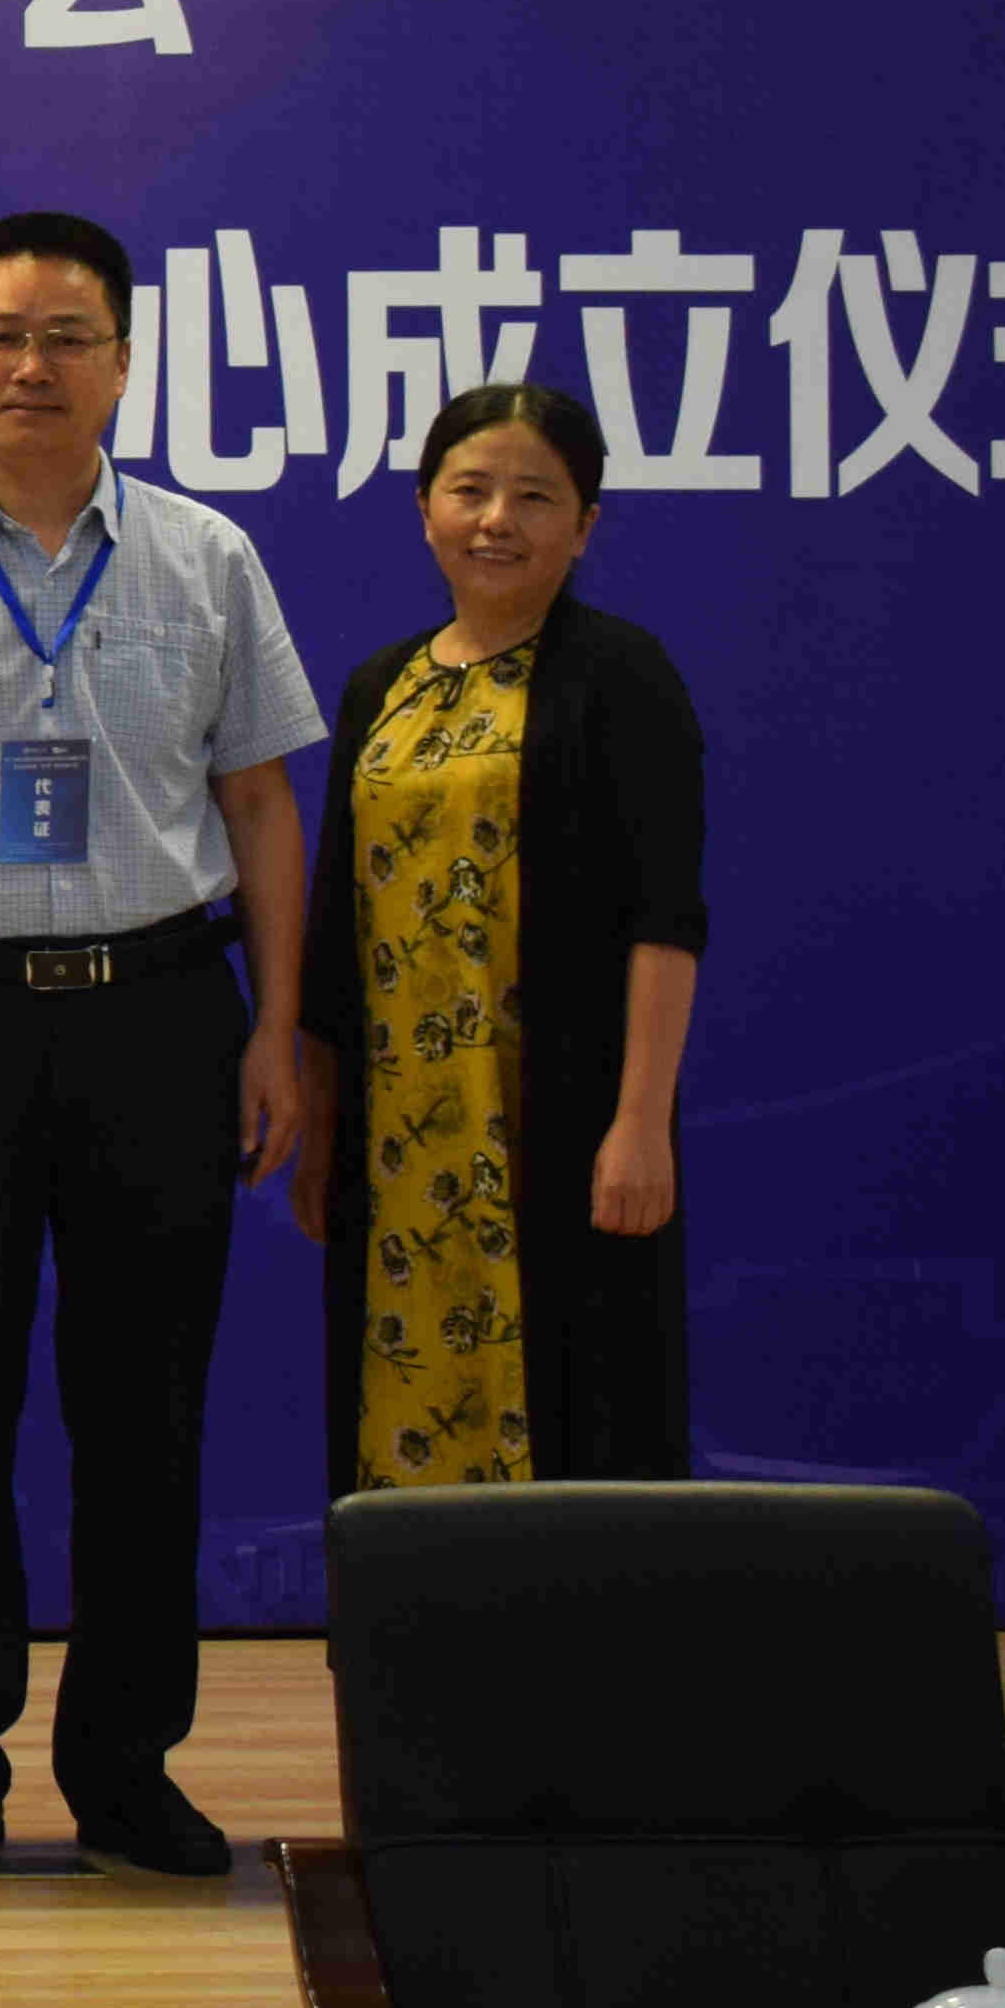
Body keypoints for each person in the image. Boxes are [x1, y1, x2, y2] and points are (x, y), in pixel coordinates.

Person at [0, 212, 324, 1880]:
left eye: (69, 337)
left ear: (123, 361)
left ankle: (126, 1765)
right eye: (4, 335)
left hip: (160, 1014)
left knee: (145, 1412)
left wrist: (279, 1028)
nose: (33, 366)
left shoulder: (205, 556)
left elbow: (262, 803)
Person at [288, 382, 709, 1497]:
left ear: (586, 524)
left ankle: (584, 1620)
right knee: (395, 1400)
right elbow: (335, 931)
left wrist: (640, 1122)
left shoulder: (623, 676)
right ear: (424, 507)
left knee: (585, 1418)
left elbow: (665, 918)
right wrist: (324, 1130)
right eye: (469, 490)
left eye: (535, 496)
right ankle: (416, 1615)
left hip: (558, 1120)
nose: (497, 521)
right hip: (400, 1138)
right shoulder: (382, 686)